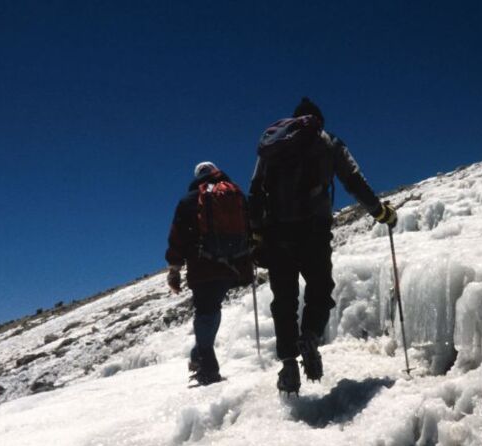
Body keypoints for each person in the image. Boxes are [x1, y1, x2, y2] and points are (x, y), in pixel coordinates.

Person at [249, 97, 397, 395]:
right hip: (313, 232)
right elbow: (353, 180)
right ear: (318, 120)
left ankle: (289, 362)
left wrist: (255, 236)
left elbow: (255, 190)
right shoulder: (329, 141)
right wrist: (380, 212)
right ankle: (311, 336)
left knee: (284, 301)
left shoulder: (272, 148)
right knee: (319, 290)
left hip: (278, 235)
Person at [165, 161, 253, 386]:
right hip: (233, 266)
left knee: (206, 311)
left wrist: (174, 270)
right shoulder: (236, 194)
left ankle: (207, 368)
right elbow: (251, 227)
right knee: (212, 308)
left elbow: (178, 238)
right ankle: (199, 357)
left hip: (203, 266)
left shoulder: (189, 201)